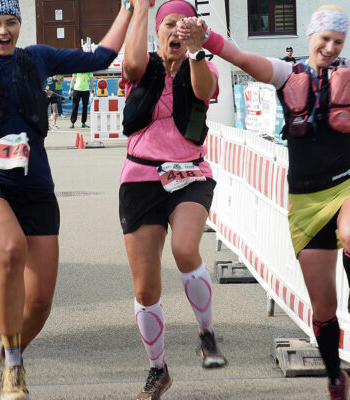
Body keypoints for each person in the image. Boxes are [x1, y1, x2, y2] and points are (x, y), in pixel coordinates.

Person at [0, 0, 133, 398]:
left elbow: (102, 55)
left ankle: (8, 347)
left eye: (10, 22)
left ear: (20, 25)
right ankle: (14, 367)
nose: (3, 31)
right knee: (11, 248)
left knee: (41, 303)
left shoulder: (38, 58)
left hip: (35, 185)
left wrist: (130, 8)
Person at [177, 5, 350, 399]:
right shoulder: (289, 74)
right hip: (305, 202)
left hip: (346, 188)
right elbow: (241, 59)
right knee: (323, 309)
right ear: (310, 36)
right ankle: (335, 378)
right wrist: (206, 41)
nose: (330, 47)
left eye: (338, 42)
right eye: (324, 39)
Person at [120, 1, 227, 399]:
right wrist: (140, 8)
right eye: (169, 25)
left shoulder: (204, 64)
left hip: (190, 173)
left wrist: (197, 48)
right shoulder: (143, 65)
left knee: (185, 249)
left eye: (183, 26)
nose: (176, 32)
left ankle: (207, 332)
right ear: (157, 31)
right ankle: (158, 368)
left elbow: (204, 91)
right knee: (146, 289)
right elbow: (129, 65)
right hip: (140, 176)